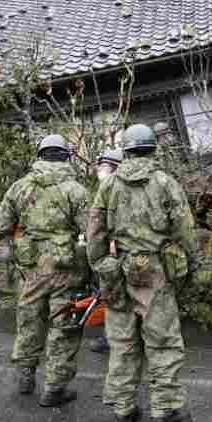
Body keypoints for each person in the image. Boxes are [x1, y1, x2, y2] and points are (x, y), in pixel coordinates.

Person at [87, 124, 197, 422]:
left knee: (122, 341)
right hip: (155, 271)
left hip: (117, 269)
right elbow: (184, 229)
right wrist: (194, 262)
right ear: (152, 149)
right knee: (162, 341)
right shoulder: (164, 182)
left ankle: (123, 408)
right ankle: (165, 410)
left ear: (126, 150)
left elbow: (95, 231)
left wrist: (100, 264)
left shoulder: (108, 186)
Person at [0, 134, 91, 407]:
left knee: (29, 319)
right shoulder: (76, 190)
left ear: (40, 155)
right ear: (66, 156)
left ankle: (25, 376)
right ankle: (55, 388)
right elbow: (93, 232)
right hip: (65, 266)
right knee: (64, 323)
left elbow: (0, 224)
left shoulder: (19, 187)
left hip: (31, 266)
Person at [88, 149, 123, 356]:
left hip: (117, 253)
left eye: (105, 166)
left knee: (114, 297)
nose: (101, 170)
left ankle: (113, 339)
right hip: (126, 253)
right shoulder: (109, 189)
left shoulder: (114, 190)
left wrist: (99, 258)